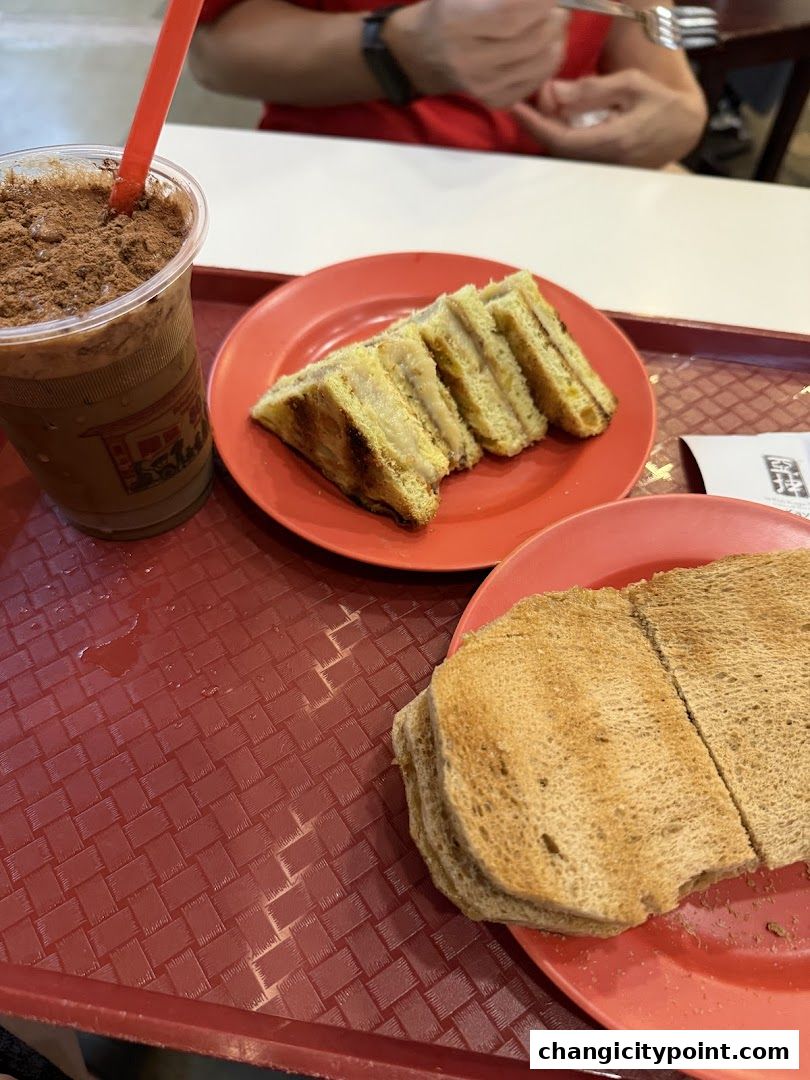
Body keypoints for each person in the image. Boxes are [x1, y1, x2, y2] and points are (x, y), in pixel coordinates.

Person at [191, 0, 707, 168]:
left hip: (557, 187)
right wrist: (397, 50)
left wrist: (680, 118)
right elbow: (214, 54)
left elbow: (663, 78)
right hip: (338, 175)